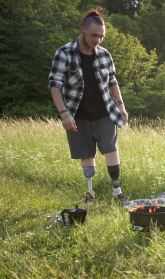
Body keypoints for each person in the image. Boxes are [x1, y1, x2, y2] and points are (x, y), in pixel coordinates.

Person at [48, 7, 128, 204]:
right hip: (78, 114)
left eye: (101, 36)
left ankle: (117, 193)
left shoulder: (104, 55)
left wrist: (121, 106)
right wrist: (64, 114)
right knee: (86, 153)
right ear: (81, 30)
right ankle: (90, 195)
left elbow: (112, 81)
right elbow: (54, 84)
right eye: (94, 35)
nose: (98, 40)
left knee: (110, 148)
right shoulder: (64, 53)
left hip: (105, 112)